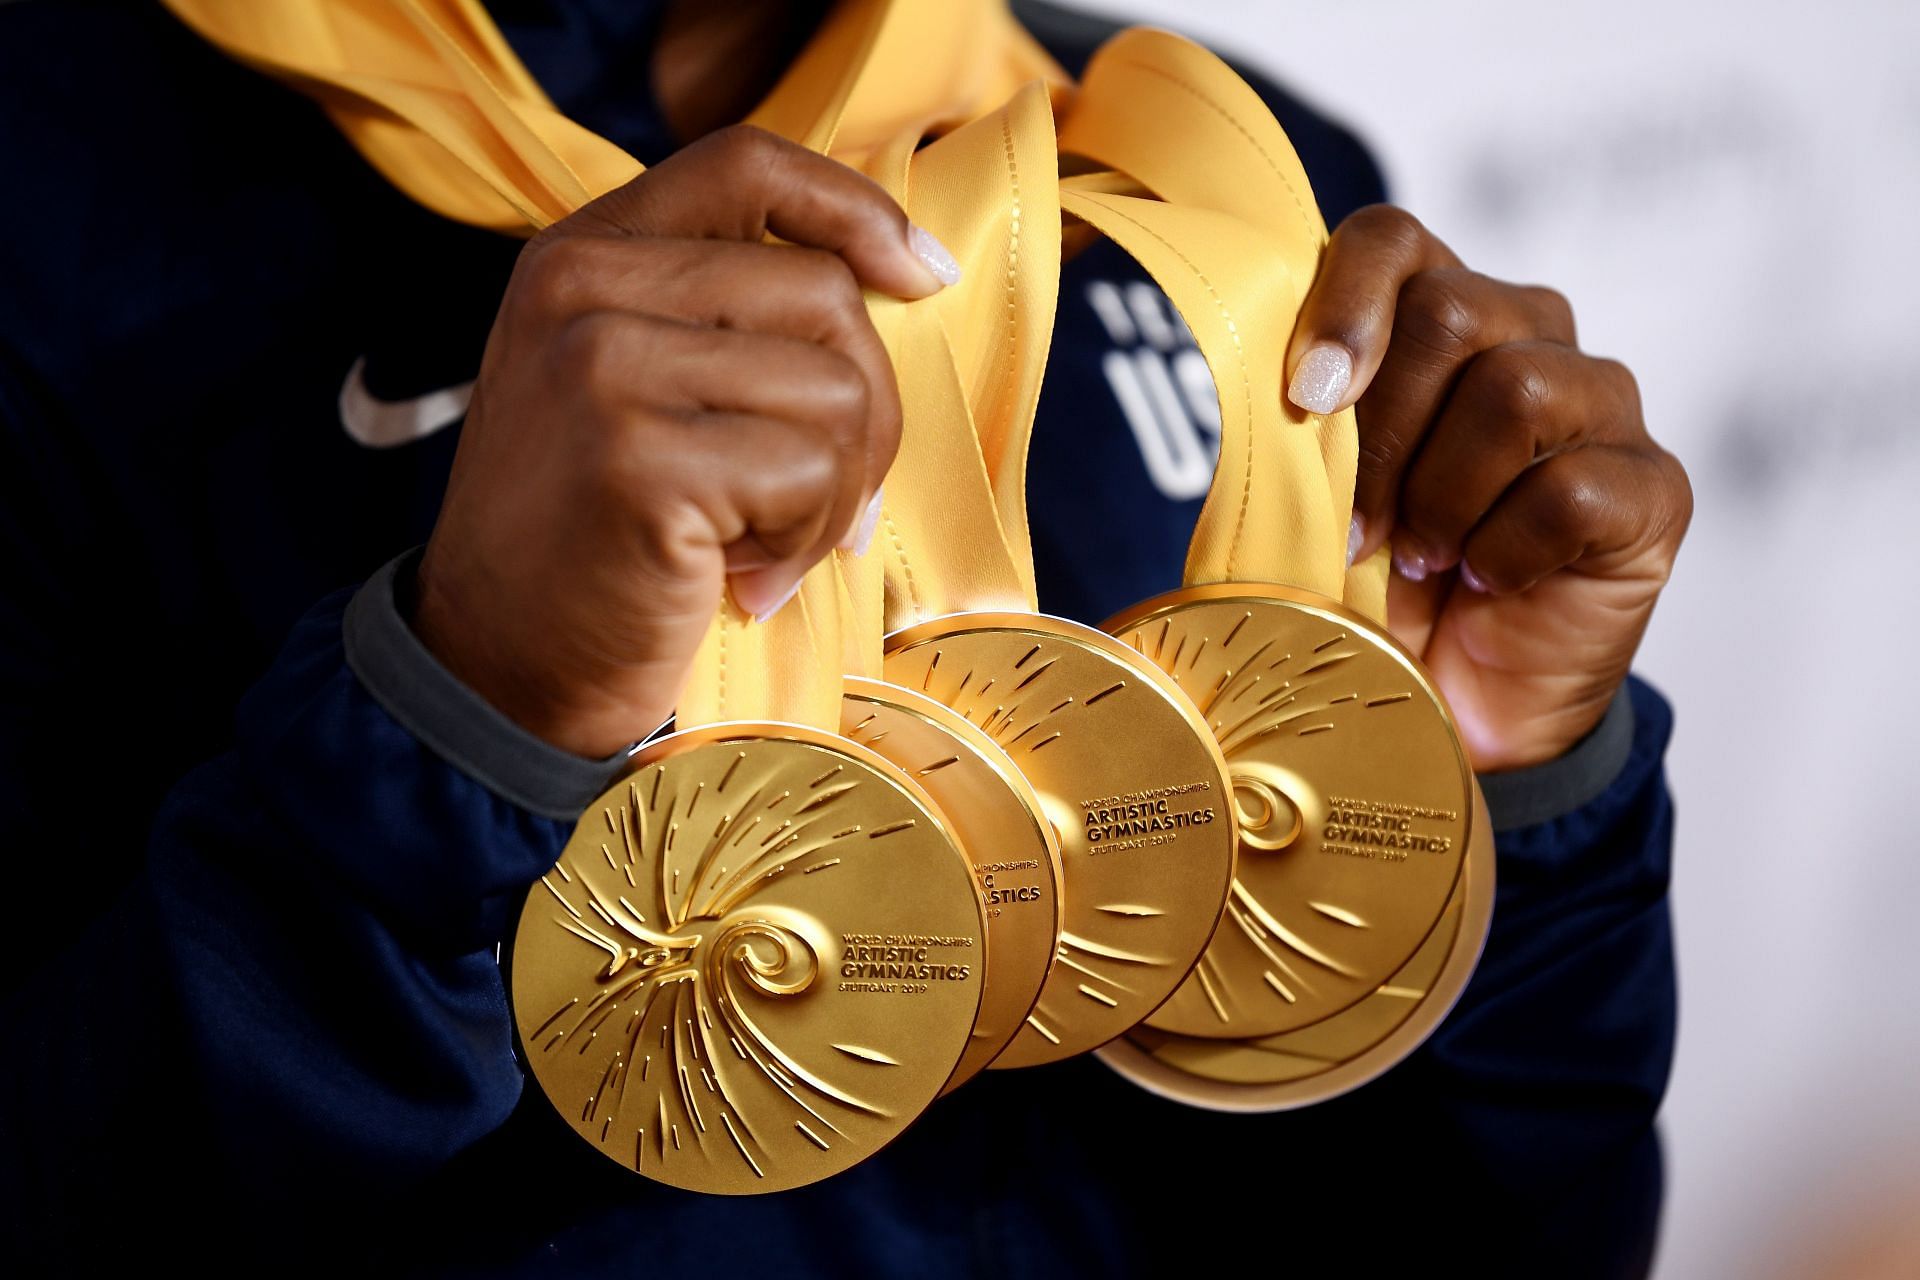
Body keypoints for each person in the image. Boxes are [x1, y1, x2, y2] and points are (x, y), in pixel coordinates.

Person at [0, 0, 1691, 1274]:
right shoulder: (56, 196)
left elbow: (1517, 1242)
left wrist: (1511, 808)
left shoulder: (1229, 195)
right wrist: (458, 720)